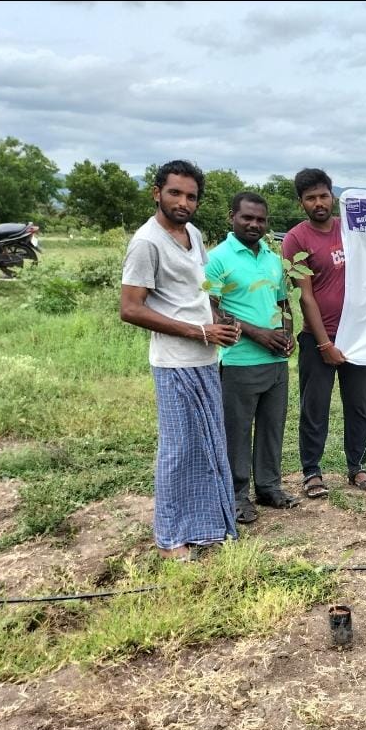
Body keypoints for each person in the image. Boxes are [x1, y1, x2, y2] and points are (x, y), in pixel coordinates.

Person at [120, 160, 240, 560]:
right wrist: (198, 332)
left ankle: (207, 526)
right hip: (174, 363)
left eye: (191, 196)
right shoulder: (146, 242)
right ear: (157, 192)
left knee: (208, 445)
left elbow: (200, 291)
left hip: (204, 359)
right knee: (178, 449)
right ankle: (172, 537)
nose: (183, 202)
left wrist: (219, 320)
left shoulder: (193, 234)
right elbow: (131, 309)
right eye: (175, 192)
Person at [282, 168, 366, 499]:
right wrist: (324, 343)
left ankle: (358, 467)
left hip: (358, 337)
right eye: (310, 198)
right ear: (302, 204)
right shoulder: (296, 239)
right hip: (317, 339)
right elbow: (306, 296)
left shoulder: (351, 230)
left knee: (360, 406)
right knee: (315, 407)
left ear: (333, 197)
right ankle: (311, 471)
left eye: (323, 195)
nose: (318, 203)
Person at [205, 191, 300, 526]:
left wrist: (286, 332)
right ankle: (236, 496)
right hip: (239, 359)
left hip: (275, 362)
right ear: (232, 216)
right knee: (238, 430)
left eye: (260, 219)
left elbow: (284, 304)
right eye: (247, 217)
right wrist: (258, 333)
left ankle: (269, 487)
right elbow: (212, 308)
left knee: (273, 427)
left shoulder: (273, 261)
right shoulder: (217, 258)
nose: (254, 224)